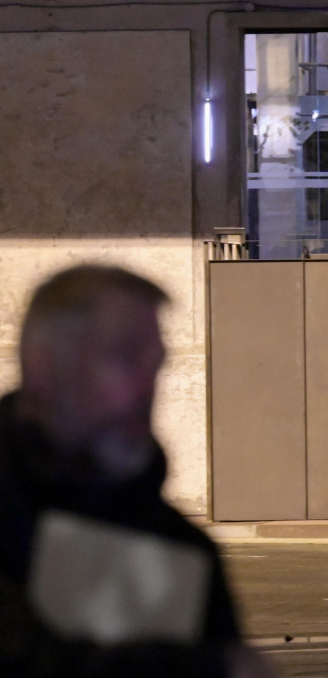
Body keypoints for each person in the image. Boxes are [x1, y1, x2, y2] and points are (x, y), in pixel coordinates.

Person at [0, 265, 268, 677]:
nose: (147, 385)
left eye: (156, 362)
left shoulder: (179, 546)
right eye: (123, 356)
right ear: (43, 368)